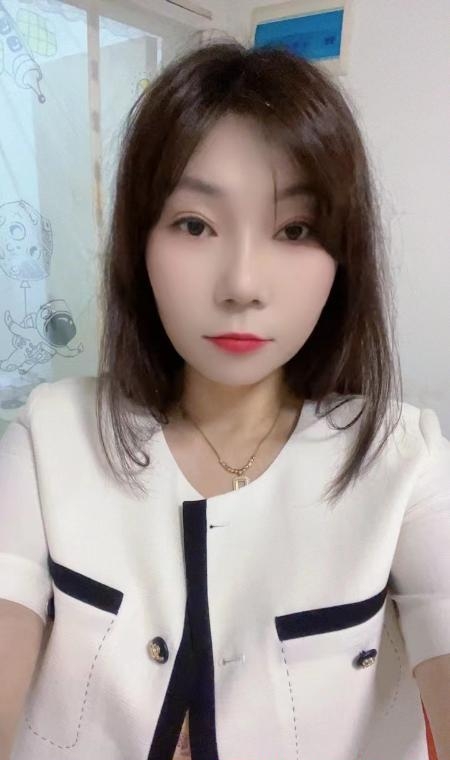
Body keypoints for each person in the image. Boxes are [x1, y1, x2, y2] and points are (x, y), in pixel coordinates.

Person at [0, 37, 449, 760]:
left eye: (295, 229)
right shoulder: (50, 438)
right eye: (195, 225)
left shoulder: (403, 461)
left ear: (344, 257)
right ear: (140, 246)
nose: (242, 284)